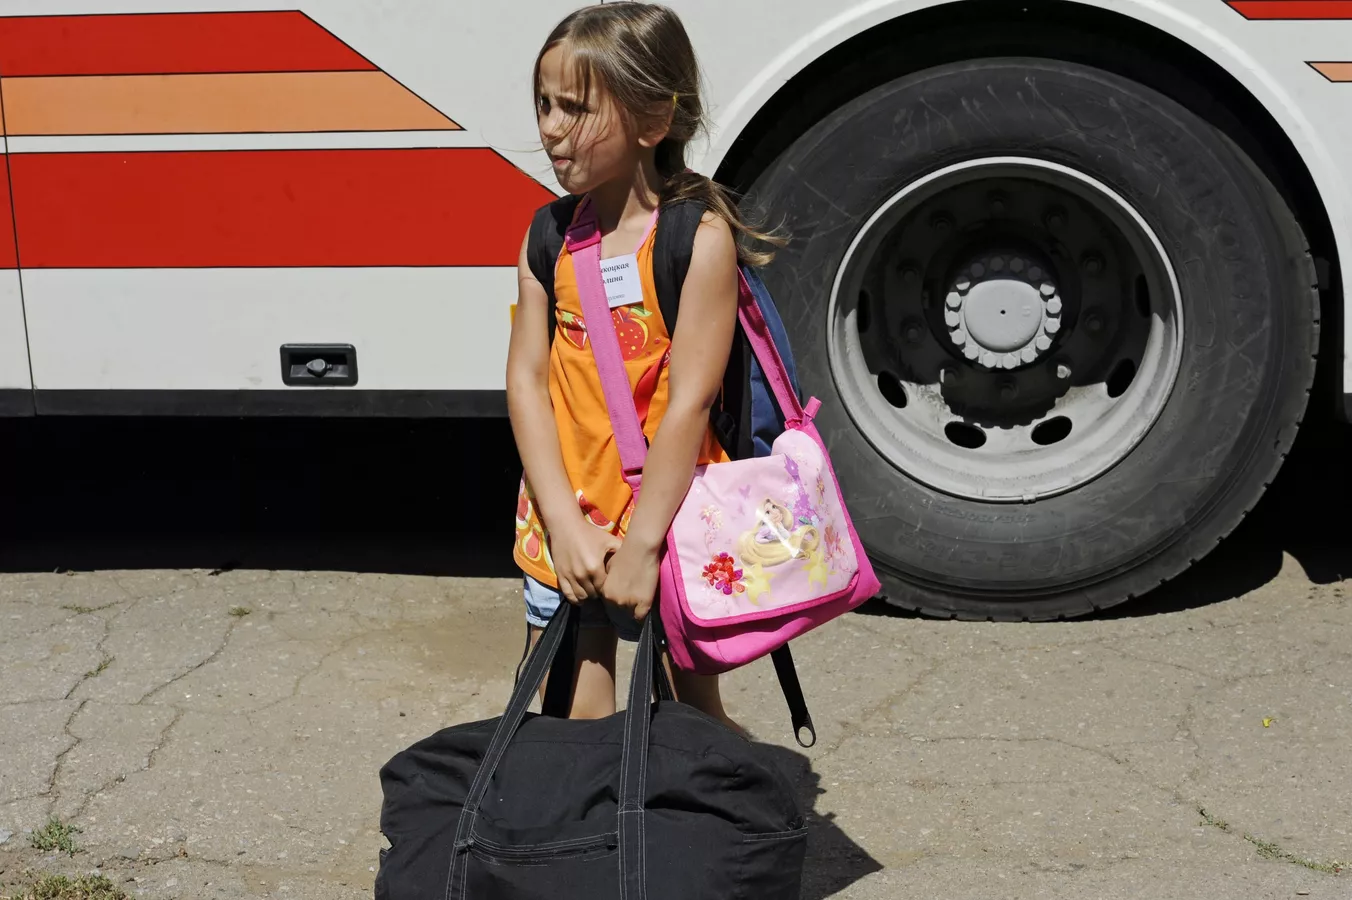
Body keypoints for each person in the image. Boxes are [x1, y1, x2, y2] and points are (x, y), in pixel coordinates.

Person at [506, 2, 780, 728]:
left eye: (575, 108)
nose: (550, 127)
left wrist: (644, 546)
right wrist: (563, 524)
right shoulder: (546, 238)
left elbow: (691, 402)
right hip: (566, 526)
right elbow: (526, 382)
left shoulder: (697, 238)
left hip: (671, 527)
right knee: (571, 730)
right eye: (544, 104)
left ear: (654, 120)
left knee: (691, 725)